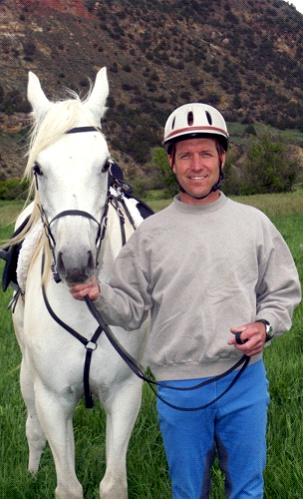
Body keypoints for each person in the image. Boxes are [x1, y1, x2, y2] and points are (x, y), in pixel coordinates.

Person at [69, 103, 301, 499]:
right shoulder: (150, 235)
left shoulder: (255, 223)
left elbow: (282, 293)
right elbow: (129, 308)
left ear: (222, 158)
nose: (197, 165)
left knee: (248, 489)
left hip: (243, 381)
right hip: (179, 388)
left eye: (206, 153)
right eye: (186, 155)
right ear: (172, 163)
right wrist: (100, 295)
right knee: (188, 491)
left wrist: (265, 326)